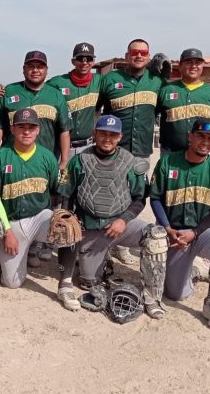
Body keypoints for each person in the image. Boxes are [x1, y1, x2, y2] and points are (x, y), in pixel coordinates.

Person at [147, 118, 210, 330]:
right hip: (173, 232)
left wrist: (195, 233)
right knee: (176, 294)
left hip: (201, 232)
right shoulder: (168, 163)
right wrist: (168, 228)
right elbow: (156, 198)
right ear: (190, 136)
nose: (206, 142)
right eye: (201, 136)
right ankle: (195, 271)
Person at [56, 115, 150, 311]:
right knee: (89, 281)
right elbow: (67, 194)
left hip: (120, 225)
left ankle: (152, 294)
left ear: (120, 136)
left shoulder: (130, 162)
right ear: (94, 134)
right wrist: (68, 218)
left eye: (113, 134)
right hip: (90, 224)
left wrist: (124, 220)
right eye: (103, 133)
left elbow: (140, 199)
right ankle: (76, 274)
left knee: (156, 237)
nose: (108, 138)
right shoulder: (80, 160)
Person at [0, 108, 60, 304]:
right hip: (11, 222)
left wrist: (60, 215)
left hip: (38, 218)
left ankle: (66, 284)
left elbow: (57, 192)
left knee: (67, 229)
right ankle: (0, 261)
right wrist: (8, 232)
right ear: (12, 129)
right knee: (12, 282)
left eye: (31, 127)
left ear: (38, 130)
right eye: (22, 127)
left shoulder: (47, 157)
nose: (26, 132)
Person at [98, 38, 162, 264]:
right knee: (110, 194)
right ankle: (106, 242)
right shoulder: (111, 80)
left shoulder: (156, 81)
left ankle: (122, 242)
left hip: (141, 149)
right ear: (127, 55)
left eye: (143, 52)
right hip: (115, 150)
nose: (138, 55)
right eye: (134, 52)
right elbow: (96, 109)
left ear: (148, 55)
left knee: (135, 196)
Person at [0, 50, 72, 166]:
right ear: (24, 69)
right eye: (31, 66)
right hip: (12, 160)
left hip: (45, 162)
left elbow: (65, 130)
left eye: (40, 67)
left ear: (46, 70)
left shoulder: (56, 95)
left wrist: (64, 161)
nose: (35, 70)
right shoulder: (9, 91)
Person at [158, 48, 210, 155]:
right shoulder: (166, 90)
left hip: (202, 154)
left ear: (202, 66)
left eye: (198, 62)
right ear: (180, 66)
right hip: (170, 153)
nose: (193, 66)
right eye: (188, 62)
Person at [47, 42, 102, 159]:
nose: (84, 62)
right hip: (62, 148)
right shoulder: (57, 82)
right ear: (73, 61)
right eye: (80, 58)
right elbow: (35, 89)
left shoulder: (100, 81)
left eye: (89, 59)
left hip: (89, 148)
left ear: (93, 61)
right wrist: (5, 92)